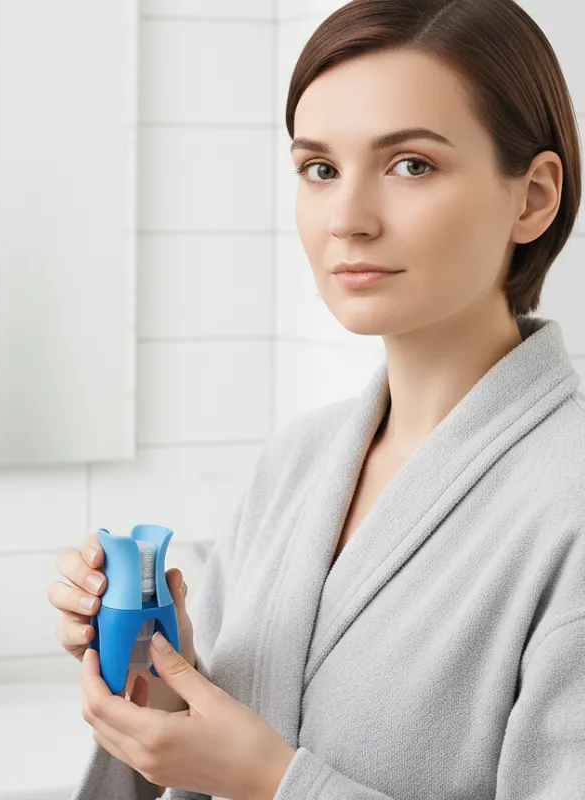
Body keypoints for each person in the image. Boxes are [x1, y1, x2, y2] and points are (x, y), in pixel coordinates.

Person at [52, 0, 585, 797]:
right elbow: (216, 745)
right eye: (320, 169)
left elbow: (259, 768)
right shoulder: (298, 460)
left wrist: (274, 782)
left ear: (533, 197)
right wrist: (156, 680)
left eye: (411, 165)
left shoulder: (568, 502)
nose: (347, 220)